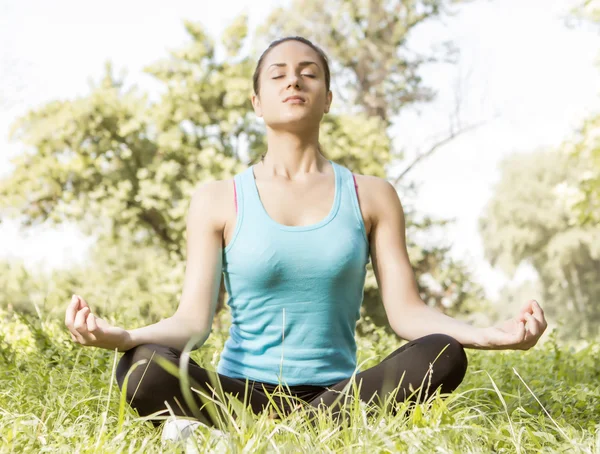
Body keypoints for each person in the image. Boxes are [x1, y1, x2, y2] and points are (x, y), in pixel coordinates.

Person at [64, 36, 548, 432]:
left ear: (328, 98)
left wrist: (487, 335)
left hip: (341, 395)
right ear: (257, 102)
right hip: (239, 393)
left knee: (441, 352)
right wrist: (124, 335)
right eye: (277, 74)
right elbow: (192, 321)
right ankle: (306, 431)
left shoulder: (372, 195)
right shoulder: (217, 198)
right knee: (142, 365)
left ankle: (271, 434)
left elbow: (407, 313)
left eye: (308, 72)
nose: (293, 79)